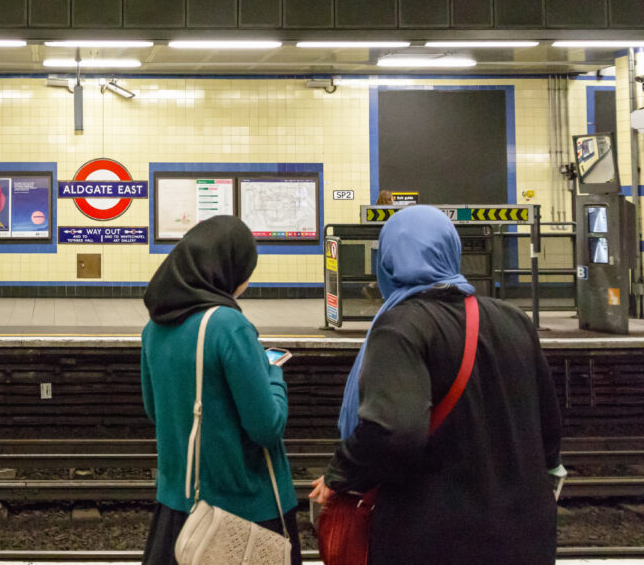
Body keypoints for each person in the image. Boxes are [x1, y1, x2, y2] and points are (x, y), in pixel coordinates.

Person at [310, 205, 562, 564]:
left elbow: (392, 431)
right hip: (525, 535)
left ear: (389, 261)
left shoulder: (401, 327)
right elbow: (549, 432)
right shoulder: (514, 319)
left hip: (437, 538)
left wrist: (340, 473)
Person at [140, 215, 301, 565]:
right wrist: (273, 375)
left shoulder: (154, 327)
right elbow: (266, 426)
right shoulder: (229, 326)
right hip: (242, 513)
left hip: (178, 509)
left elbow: (156, 410)